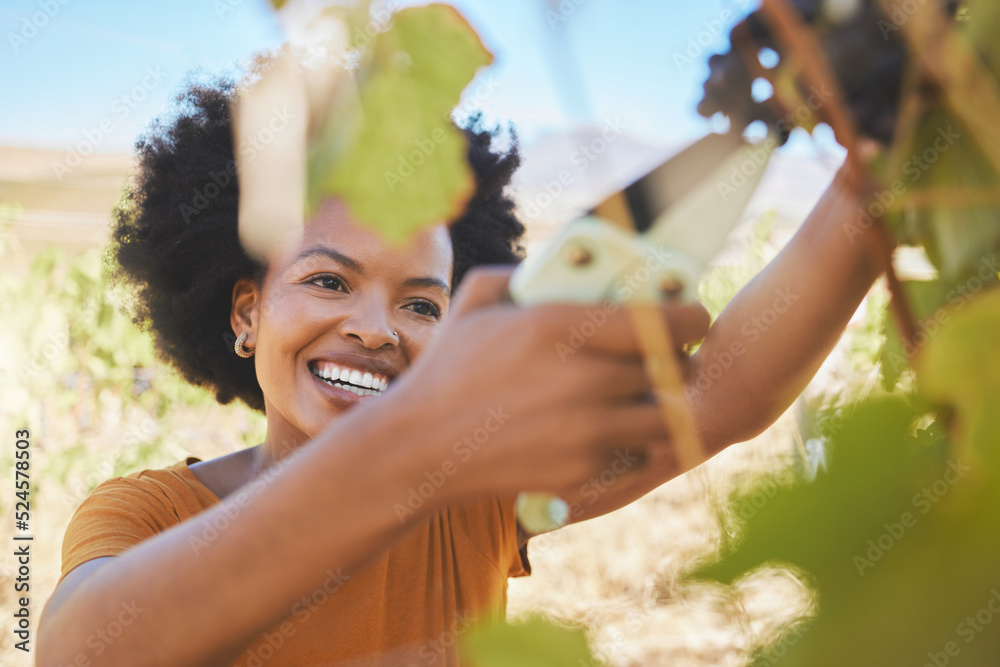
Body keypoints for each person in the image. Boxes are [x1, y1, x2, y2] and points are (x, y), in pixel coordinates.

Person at [37, 69, 880, 666]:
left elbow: (721, 395)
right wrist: (421, 436)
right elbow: (86, 651)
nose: (375, 329)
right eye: (328, 279)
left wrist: (879, 174)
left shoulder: (471, 497)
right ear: (246, 313)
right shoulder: (147, 514)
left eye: (422, 303)